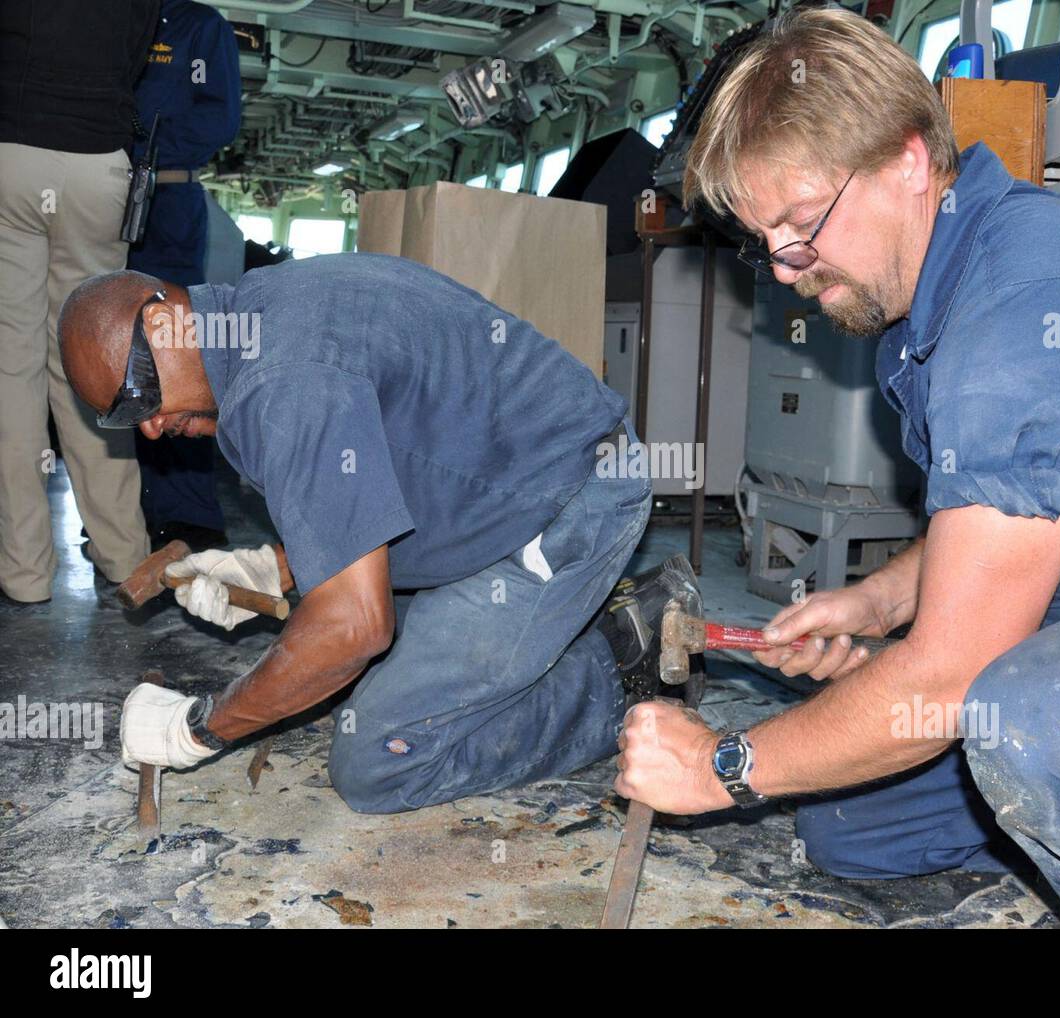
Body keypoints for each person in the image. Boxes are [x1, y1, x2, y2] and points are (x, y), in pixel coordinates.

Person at [614, 7, 1060, 929]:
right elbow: (1002, 513)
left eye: (801, 222)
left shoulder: (1022, 316)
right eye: (762, 239)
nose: (782, 267)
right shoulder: (942, 281)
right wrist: (881, 604)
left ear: (906, 161)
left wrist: (717, 767)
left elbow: (948, 678)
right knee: (851, 824)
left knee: (1043, 721)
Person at [57, 253, 695, 813]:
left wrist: (201, 728)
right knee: (333, 664)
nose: (148, 427)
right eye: (122, 416)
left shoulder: (282, 384)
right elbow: (385, 465)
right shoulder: (266, 310)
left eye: (141, 394)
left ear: (167, 314)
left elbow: (356, 628)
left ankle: (623, 661)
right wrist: (276, 567)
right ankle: (559, 635)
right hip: (507, 488)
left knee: (379, 758)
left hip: (566, 507)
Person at [0, 0, 156, 608]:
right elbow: (136, 58)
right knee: (93, 360)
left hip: (11, 154)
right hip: (96, 162)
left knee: (12, 371)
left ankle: (25, 573)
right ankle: (123, 557)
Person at [129, 0, 241, 551]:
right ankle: (123, 510)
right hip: (102, 194)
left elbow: (219, 117)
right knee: (103, 347)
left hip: (167, 199)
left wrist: (138, 144)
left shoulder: (201, 26)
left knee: (171, 353)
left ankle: (188, 514)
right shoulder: (108, 18)